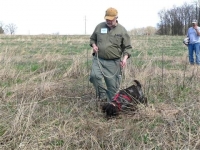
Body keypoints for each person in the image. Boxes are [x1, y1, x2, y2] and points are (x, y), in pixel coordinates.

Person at [89, 7, 132, 101]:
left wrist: (124, 59)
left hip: (114, 63)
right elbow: (92, 39)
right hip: (99, 59)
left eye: (111, 19)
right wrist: (94, 45)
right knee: (94, 76)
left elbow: (128, 47)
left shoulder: (122, 30)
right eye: (107, 19)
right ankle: (102, 97)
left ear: (116, 18)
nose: (108, 21)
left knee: (113, 89)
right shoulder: (99, 26)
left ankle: (109, 102)